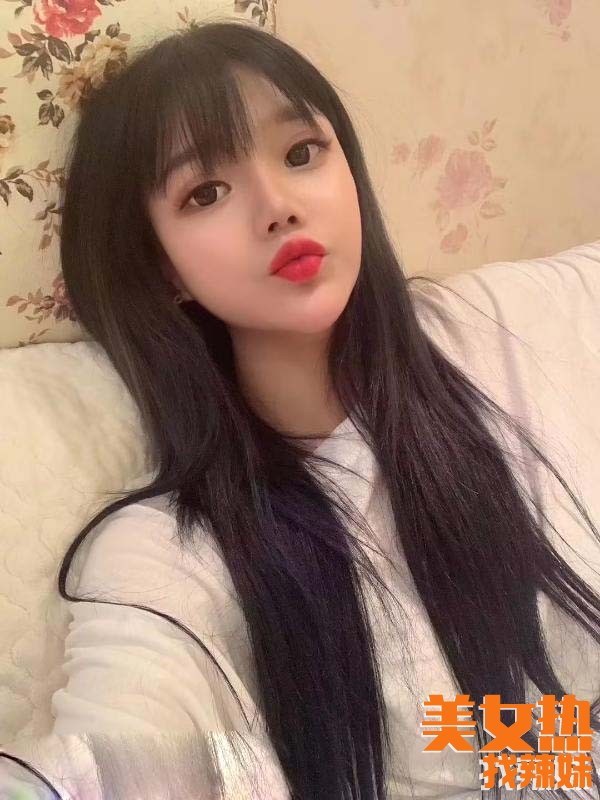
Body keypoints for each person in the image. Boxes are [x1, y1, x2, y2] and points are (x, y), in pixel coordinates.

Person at [1, 18, 599, 800]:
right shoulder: (168, 555)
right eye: (205, 192)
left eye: (301, 153)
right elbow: (110, 759)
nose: (278, 206)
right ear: (162, 267)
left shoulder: (487, 339)